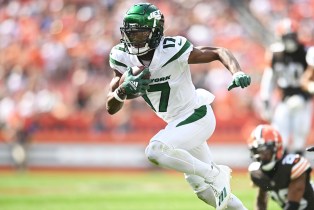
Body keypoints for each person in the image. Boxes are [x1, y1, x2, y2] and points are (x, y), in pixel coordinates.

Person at [106, 3, 251, 210]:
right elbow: (111, 106)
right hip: (177, 124)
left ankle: (215, 173)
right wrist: (122, 90)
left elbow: (218, 51)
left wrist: (236, 72)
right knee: (206, 193)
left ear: (155, 32)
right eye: (131, 33)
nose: (134, 38)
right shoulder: (121, 56)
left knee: (155, 150)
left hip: (196, 115)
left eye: (140, 33)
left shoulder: (172, 49)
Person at [259, 18, 314, 155]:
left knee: (299, 137)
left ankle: (298, 168)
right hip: (283, 100)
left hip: (303, 100)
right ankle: (282, 169)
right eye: (287, 36)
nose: (290, 40)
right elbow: (269, 78)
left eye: (292, 36)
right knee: (279, 135)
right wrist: (265, 99)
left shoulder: (307, 52)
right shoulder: (275, 53)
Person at [247, 124, 314, 210]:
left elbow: (292, 206)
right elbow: (261, 201)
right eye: (258, 151)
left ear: (276, 148)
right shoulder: (257, 173)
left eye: (264, 150)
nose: (261, 155)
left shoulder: (292, 166)